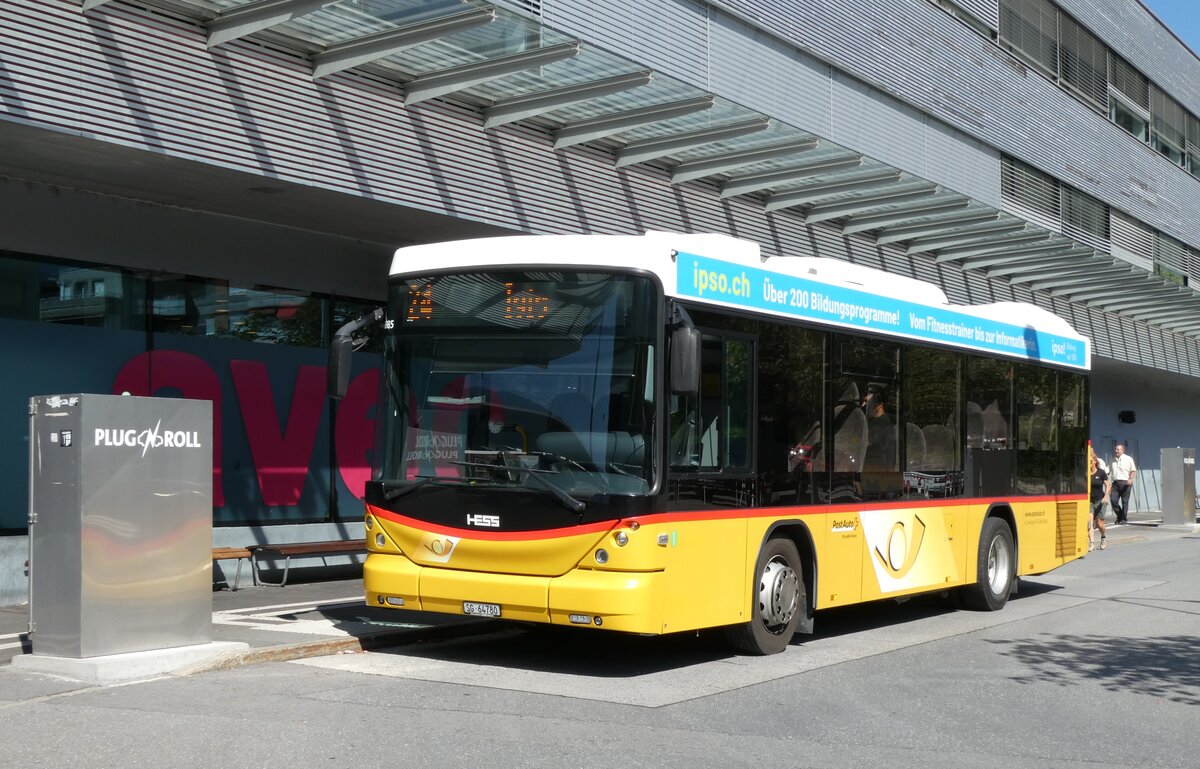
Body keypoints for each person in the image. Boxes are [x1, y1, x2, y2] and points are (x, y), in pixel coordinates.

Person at [1108, 443, 1137, 525]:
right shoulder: (1112, 460)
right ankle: (1120, 515)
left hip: (1125, 483)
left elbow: (1133, 470)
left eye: (1117, 449)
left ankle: (1123, 519)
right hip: (1115, 483)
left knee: (1125, 502)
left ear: (1122, 450)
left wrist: (1130, 479)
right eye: (1115, 449)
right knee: (1113, 500)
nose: (1116, 451)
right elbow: (1108, 470)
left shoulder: (1128, 459)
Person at [1089, 454, 1109, 551]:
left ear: (1095, 462)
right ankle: (1091, 544)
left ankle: (1103, 537)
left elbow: (1108, 485)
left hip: (1100, 500)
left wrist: (1105, 497)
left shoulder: (1101, 472)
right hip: (1089, 501)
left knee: (1099, 524)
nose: (1089, 463)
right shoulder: (1085, 473)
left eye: (1090, 461)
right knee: (1090, 522)